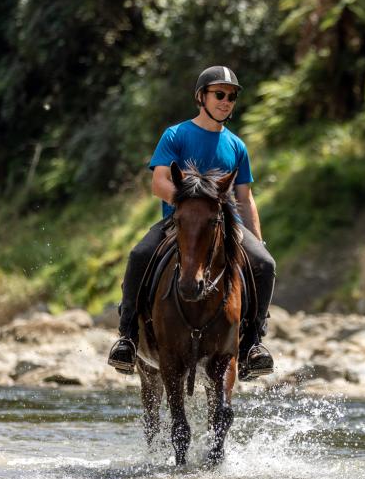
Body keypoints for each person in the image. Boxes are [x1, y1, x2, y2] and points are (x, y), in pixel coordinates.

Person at [107, 66, 276, 379]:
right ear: (202, 97)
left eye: (232, 96)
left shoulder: (237, 146)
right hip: (180, 223)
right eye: (220, 94)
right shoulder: (176, 135)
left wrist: (257, 238)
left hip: (227, 226)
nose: (226, 101)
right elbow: (159, 182)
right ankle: (128, 337)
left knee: (265, 264)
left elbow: (244, 197)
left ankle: (254, 343)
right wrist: (191, 209)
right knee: (139, 255)